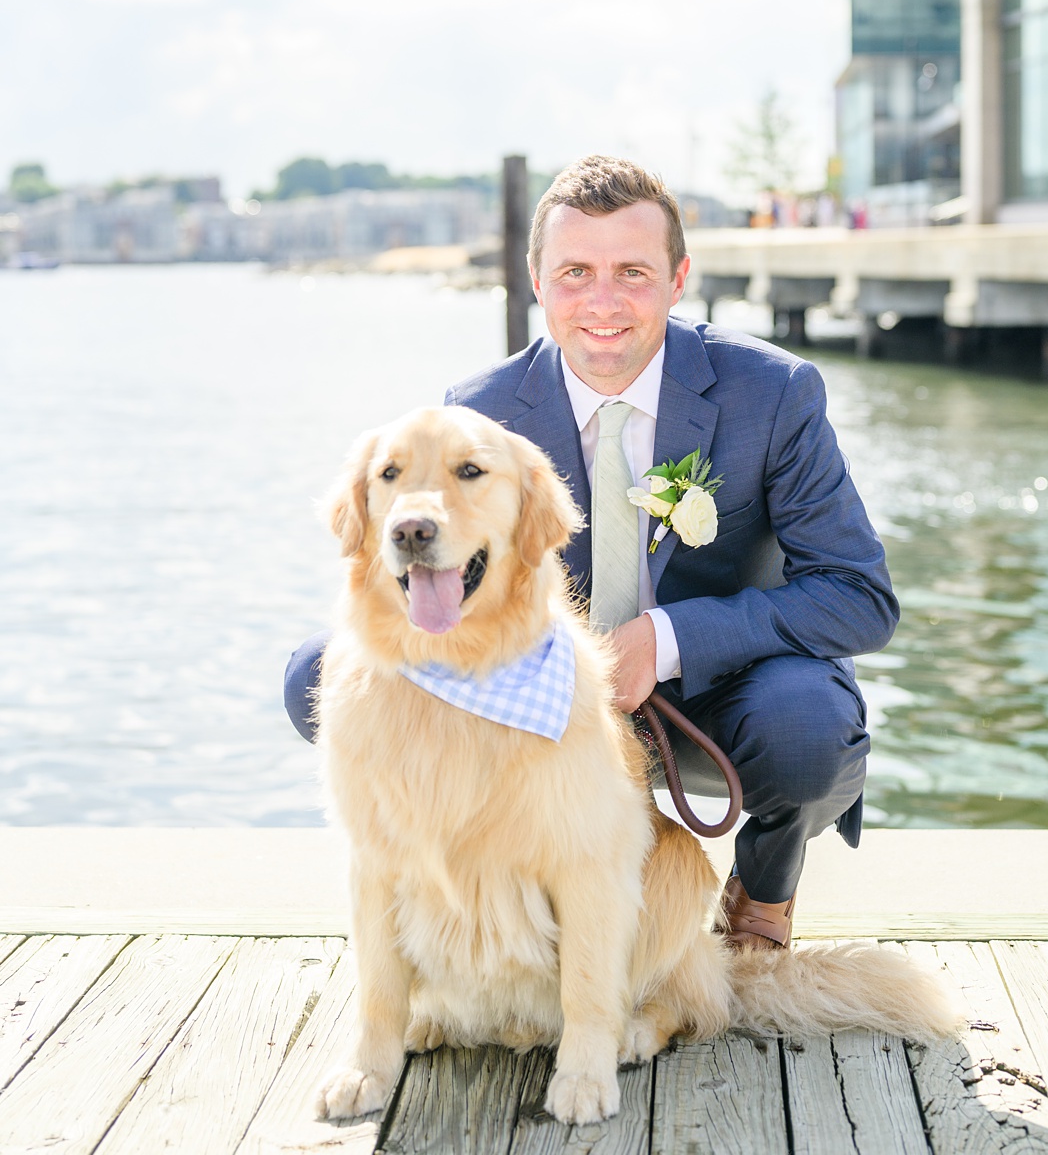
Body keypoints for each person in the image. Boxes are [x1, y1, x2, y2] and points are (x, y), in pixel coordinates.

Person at [285, 154, 894, 950]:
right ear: (537, 280)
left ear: (678, 279)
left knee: (811, 729)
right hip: (547, 697)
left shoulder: (773, 394)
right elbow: (439, 579)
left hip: (717, 696)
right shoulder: (481, 412)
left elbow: (857, 594)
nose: (603, 303)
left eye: (632, 273)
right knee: (320, 676)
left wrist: (666, 643)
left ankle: (760, 898)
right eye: (575, 272)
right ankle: (472, 888)